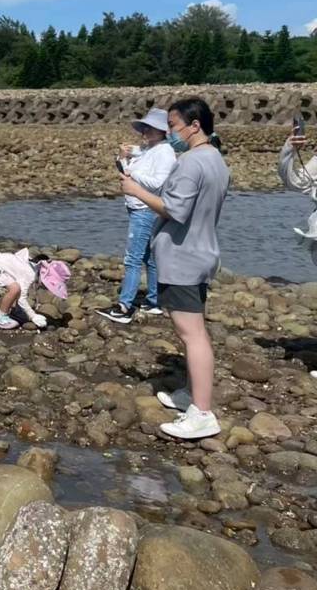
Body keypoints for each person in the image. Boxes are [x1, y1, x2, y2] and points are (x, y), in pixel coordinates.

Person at [121, 97, 230, 440]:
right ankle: (191, 394)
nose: (170, 132)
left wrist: (135, 189)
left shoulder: (192, 162)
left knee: (192, 334)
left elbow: (174, 210)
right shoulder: (215, 159)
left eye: (173, 125)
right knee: (192, 331)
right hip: (202, 252)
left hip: (183, 257)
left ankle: (202, 412)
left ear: (194, 125)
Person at [98, 108, 176, 324]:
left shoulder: (164, 152)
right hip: (139, 207)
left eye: (150, 128)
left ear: (162, 131)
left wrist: (132, 172)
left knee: (132, 259)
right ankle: (153, 302)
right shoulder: (149, 149)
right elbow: (125, 169)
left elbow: (157, 183)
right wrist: (122, 158)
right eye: (144, 128)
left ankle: (125, 307)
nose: (145, 132)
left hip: (145, 209)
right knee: (147, 258)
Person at [0, 248, 69, 330]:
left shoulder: (35, 265)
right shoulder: (30, 274)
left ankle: (18, 311)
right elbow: (21, 297)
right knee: (15, 289)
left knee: (19, 287)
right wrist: (32, 315)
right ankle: (0, 318)